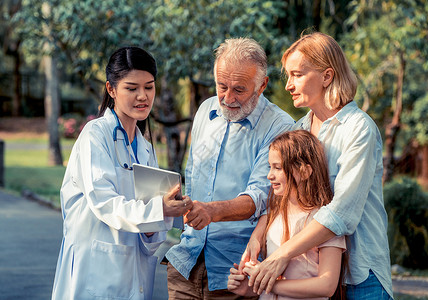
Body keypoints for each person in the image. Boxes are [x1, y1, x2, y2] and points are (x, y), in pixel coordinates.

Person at [240, 32, 394, 300]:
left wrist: (281, 254)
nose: (289, 85)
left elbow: (341, 213)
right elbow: (282, 196)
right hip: (312, 274)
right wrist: (258, 237)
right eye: (288, 75)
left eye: (297, 74)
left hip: (360, 275)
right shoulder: (299, 129)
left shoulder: (359, 129)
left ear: (327, 76)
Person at [51, 46, 192, 300]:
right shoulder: (95, 135)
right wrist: (159, 209)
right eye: (132, 88)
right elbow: (105, 203)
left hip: (134, 273)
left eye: (149, 87)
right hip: (95, 269)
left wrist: (158, 221)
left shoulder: (145, 148)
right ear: (111, 89)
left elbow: (150, 230)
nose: (143, 96)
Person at [165, 38, 295, 299]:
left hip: (237, 271)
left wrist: (211, 211)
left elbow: (263, 196)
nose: (227, 98)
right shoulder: (205, 111)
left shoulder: (280, 126)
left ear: (262, 85)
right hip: (186, 261)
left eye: (239, 89)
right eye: (221, 86)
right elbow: (193, 175)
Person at [228, 130, 346, 299]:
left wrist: (269, 283)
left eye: (278, 168)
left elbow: (326, 285)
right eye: (270, 167)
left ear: (305, 171)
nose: (270, 175)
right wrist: (249, 285)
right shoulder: (273, 217)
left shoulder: (323, 222)